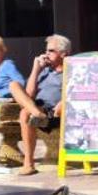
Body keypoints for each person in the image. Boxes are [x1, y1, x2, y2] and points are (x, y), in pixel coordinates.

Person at [6, 34, 68, 175]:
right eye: (46, 50)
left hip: (54, 112)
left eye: (51, 51)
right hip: (38, 108)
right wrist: (36, 69)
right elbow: (29, 94)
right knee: (14, 85)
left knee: (24, 113)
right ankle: (37, 114)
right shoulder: (45, 71)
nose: (46, 54)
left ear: (63, 54)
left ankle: (29, 164)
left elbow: (77, 91)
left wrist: (63, 103)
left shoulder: (72, 71)